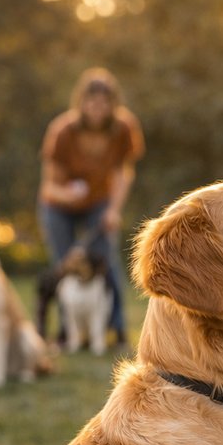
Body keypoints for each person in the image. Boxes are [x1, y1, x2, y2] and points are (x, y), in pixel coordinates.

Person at [38, 67, 144, 350]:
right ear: (81, 102)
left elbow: (123, 172)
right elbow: (48, 188)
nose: (97, 108)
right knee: (65, 268)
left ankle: (117, 331)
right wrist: (68, 194)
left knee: (106, 260)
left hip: (99, 202)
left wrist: (113, 209)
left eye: (104, 102)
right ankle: (67, 334)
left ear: (113, 104)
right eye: (91, 102)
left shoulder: (123, 128)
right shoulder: (62, 131)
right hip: (58, 206)